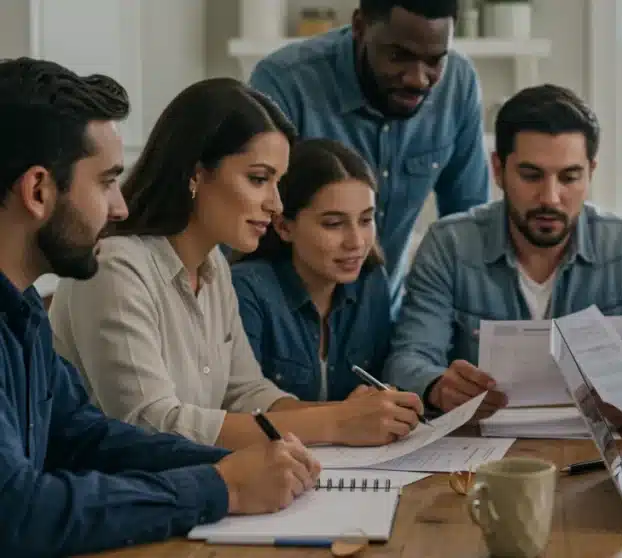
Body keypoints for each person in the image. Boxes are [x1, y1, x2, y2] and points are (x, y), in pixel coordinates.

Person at [0, 57, 320, 556]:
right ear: (38, 190)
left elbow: (83, 436)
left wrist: (226, 465)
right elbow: (17, 512)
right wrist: (222, 486)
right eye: (105, 182)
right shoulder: (113, 267)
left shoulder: (21, 312)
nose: (119, 207)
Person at [48, 77, 424, 452]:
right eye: (258, 179)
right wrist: (336, 421)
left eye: (278, 183)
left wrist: (354, 415)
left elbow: (245, 392)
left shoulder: (213, 265)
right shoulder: (113, 266)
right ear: (196, 174)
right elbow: (150, 423)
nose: (276, 204)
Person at [383, 84, 622, 424]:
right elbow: (407, 361)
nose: (550, 198)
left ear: (591, 172)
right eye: (531, 176)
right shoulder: (449, 244)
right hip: (479, 446)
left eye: (569, 177)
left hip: (600, 442)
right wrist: (437, 386)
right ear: (498, 170)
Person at [249, 0, 489, 313]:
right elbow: (251, 225)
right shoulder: (285, 82)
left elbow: (468, 227)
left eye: (434, 61)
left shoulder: (459, 84)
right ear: (360, 27)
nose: (417, 79)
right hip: (290, 312)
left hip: (386, 313)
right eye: (398, 56)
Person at [231, 139, 393, 401]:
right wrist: (349, 416)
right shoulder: (246, 290)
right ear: (284, 226)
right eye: (333, 224)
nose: (356, 242)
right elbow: (240, 405)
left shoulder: (371, 282)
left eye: (365, 220)